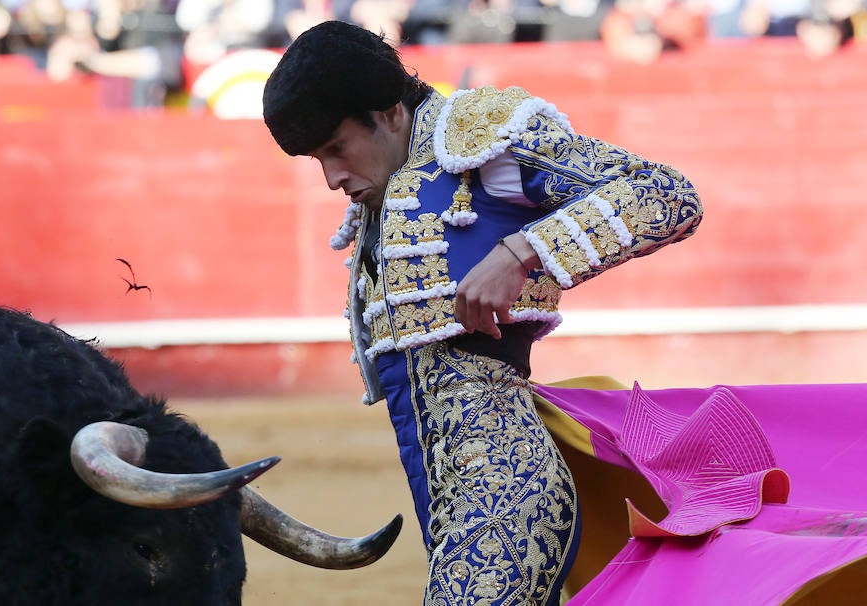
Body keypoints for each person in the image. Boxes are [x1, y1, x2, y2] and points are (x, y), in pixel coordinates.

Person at [261, 20, 703, 604]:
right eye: (318, 158)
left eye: (338, 148)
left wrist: (522, 251)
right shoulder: (390, 188)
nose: (332, 178)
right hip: (449, 497)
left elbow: (666, 194)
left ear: (390, 112)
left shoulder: (478, 142)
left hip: (504, 491)